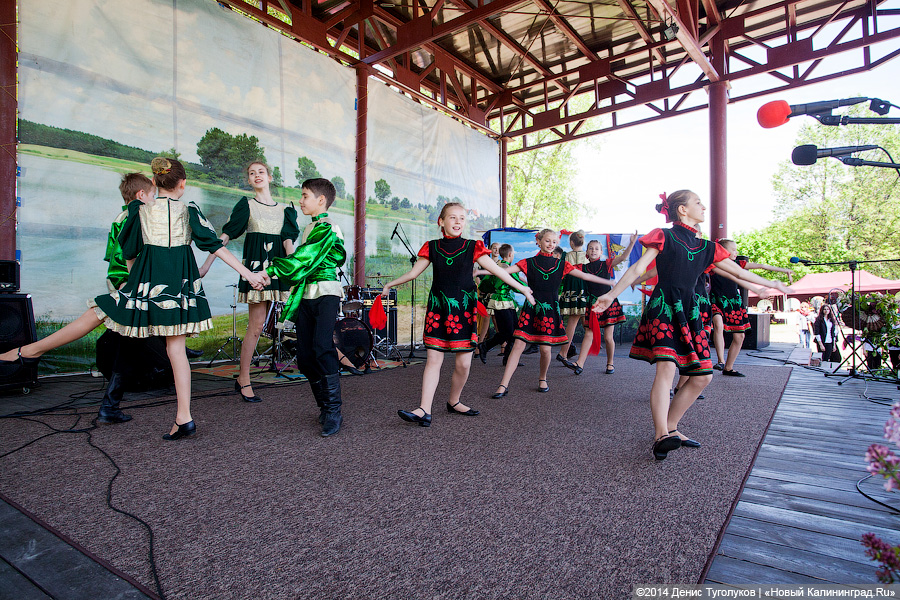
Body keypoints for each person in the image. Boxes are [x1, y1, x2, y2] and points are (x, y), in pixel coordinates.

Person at [0, 158, 267, 440]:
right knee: (175, 350)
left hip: (144, 283)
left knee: (98, 312)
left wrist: (135, 288)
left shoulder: (140, 209)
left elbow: (128, 251)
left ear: (154, 183)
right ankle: (183, 417)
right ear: (183, 184)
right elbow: (213, 244)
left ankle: (30, 352)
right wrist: (248, 274)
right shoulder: (189, 210)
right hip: (178, 287)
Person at [592, 190, 792, 460]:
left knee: (703, 376)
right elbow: (639, 269)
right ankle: (661, 434)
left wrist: (772, 283)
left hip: (694, 311)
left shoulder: (708, 247)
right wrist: (611, 294)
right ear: (682, 210)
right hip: (665, 306)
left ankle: (672, 427)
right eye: (698, 202)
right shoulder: (664, 235)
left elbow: (738, 271)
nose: (704, 206)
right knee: (666, 369)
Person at [382, 203, 534, 427]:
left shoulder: (473, 247)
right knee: (434, 359)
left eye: (462, 218)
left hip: (463, 311)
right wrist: (390, 284)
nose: (457, 222)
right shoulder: (431, 247)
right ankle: (424, 409)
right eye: (452, 218)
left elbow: (498, 270)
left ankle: (454, 401)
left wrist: (521, 288)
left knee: (463, 364)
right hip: (438, 309)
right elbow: (414, 273)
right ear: (441, 222)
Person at [198, 161, 299, 403]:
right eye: (251, 173)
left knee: (298, 318)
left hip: (278, 271)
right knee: (255, 327)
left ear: (270, 177)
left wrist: (296, 268)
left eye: (260, 172)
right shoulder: (247, 205)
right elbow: (224, 237)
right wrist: (205, 265)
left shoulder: (287, 210)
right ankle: (244, 377)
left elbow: (288, 243)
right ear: (249, 179)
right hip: (254, 271)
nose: (256, 176)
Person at [265, 178, 346, 437]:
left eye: (304, 196)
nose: (300, 201)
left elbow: (304, 259)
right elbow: (301, 260)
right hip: (306, 295)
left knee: (322, 348)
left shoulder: (328, 227)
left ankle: (334, 410)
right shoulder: (310, 227)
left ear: (320, 200)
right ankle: (324, 405)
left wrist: (270, 271)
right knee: (305, 356)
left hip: (326, 294)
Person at [491, 229, 614, 398]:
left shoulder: (561, 264)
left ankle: (542, 378)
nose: (551, 244)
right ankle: (503, 385)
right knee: (518, 346)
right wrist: (483, 271)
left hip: (550, 312)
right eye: (547, 241)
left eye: (554, 242)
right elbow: (504, 272)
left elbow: (585, 276)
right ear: (539, 242)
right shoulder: (529, 262)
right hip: (531, 308)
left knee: (545, 350)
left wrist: (607, 282)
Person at [95, 172, 156, 424]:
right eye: (153, 195)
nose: (155, 199)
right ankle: (109, 406)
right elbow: (120, 258)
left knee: (129, 343)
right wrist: (126, 285)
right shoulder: (130, 218)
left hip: (133, 287)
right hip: (130, 288)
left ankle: (110, 405)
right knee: (126, 343)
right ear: (141, 195)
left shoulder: (128, 216)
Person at [709, 239, 794, 377]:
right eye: (734, 249)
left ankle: (728, 367)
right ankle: (721, 361)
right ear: (724, 251)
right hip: (717, 299)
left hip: (734, 302)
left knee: (740, 336)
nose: (736, 252)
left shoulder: (738, 264)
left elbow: (761, 266)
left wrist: (784, 270)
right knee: (718, 324)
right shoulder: (714, 264)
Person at [563, 234, 638, 375]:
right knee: (588, 334)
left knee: (608, 337)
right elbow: (567, 269)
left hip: (608, 304)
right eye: (591, 248)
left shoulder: (607, 264)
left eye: (596, 248)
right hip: (592, 304)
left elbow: (622, 258)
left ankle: (610, 363)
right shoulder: (582, 268)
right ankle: (580, 363)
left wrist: (631, 244)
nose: (593, 251)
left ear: (601, 252)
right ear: (586, 252)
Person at [474, 244, 523, 365]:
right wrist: (529, 289)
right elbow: (517, 284)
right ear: (510, 255)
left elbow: (484, 285)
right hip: (503, 303)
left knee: (513, 331)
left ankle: (508, 358)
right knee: (507, 332)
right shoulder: (506, 268)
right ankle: (485, 346)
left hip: (499, 302)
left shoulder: (495, 267)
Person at [556, 230, 588, 361]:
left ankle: (566, 351)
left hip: (570, 290)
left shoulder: (566, 256)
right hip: (584, 290)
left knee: (573, 321)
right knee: (580, 321)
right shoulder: (587, 256)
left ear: (571, 243)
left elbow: (561, 275)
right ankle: (564, 352)